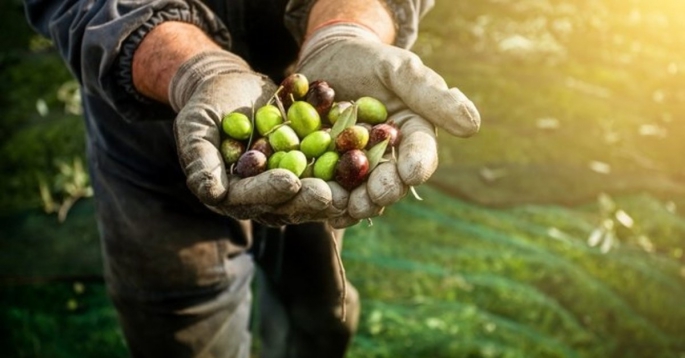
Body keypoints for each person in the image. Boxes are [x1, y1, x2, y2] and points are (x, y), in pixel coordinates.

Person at [24, 0, 480, 357]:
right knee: (181, 325)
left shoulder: (320, 123)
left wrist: (347, 27)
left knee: (318, 311)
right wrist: (197, 71)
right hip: (150, 120)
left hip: (316, 75)